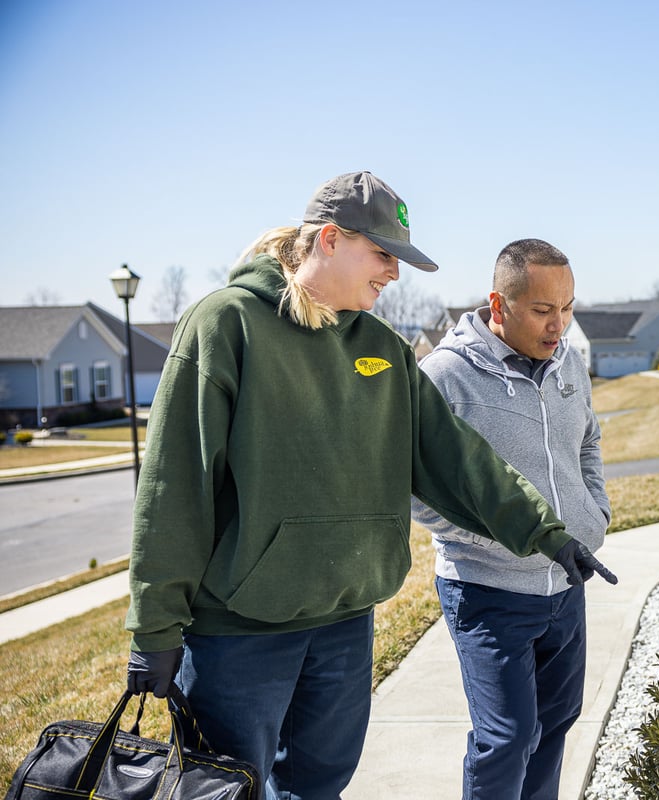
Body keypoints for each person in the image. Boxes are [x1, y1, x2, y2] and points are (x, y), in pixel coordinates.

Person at [123, 173, 613, 800]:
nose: (395, 274)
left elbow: (456, 459)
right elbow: (173, 487)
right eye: (384, 255)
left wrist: (545, 532)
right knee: (227, 785)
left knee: (318, 783)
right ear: (329, 239)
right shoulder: (226, 325)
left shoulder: (381, 346)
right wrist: (155, 629)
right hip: (240, 629)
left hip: (345, 620)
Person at [411, 238, 616, 800]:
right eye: (544, 311)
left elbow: (588, 440)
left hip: (566, 585)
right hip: (487, 590)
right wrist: (507, 541)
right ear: (499, 306)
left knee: (555, 727)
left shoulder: (568, 362)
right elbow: (421, 493)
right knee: (507, 738)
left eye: (568, 309)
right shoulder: (444, 376)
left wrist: (591, 515)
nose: (559, 326)